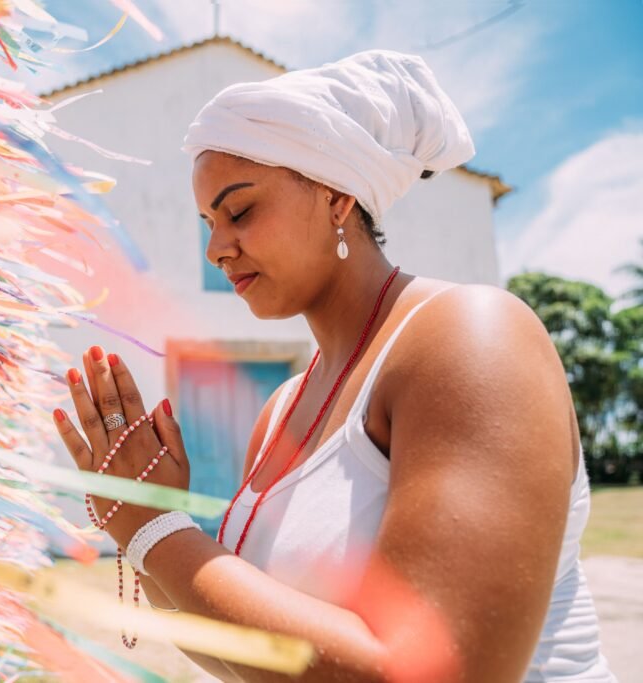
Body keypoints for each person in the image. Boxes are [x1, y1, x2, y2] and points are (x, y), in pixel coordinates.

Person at [51, 50, 615, 682]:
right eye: (207, 223)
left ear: (338, 196)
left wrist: (155, 529)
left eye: (239, 212)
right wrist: (146, 521)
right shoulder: (282, 410)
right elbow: (242, 651)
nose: (215, 248)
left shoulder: (471, 335)